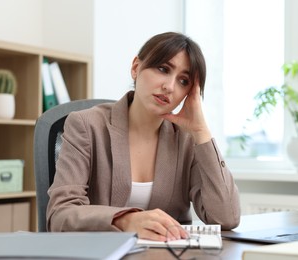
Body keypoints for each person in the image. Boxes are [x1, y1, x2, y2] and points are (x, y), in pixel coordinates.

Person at [47, 31, 240, 241]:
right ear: (136, 67)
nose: (169, 86)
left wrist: (201, 131)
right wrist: (125, 220)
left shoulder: (186, 139)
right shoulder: (86, 125)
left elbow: (226, 218)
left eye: (183, 81)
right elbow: (60, 214)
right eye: (163, 69)